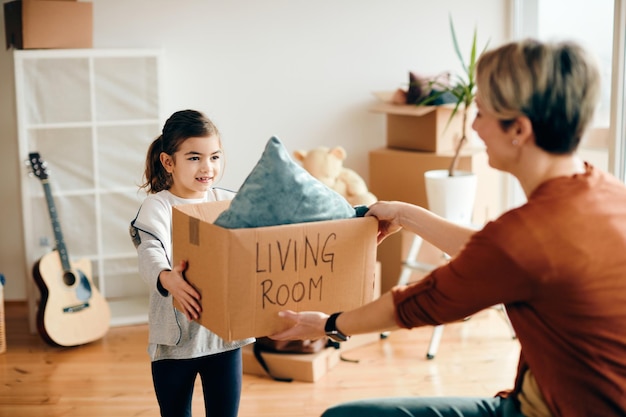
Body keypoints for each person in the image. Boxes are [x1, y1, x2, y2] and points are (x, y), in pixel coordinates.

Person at [271, 39, 626, 417]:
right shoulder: (606, 192)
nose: (473, 127)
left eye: (481, 113)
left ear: (519, 129)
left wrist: (328, 323)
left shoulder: (527, 235)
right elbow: (494, 255)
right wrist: (406, 214)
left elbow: (419, 303)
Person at [130, 109, 254, 417]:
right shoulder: (157, 207)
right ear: (168, 162)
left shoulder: (227, 201)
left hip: (224, 339)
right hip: (174, 343)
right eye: (195, 157)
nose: (207, 167)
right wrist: (167, 277)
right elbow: (149, 251)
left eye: (215, 157)